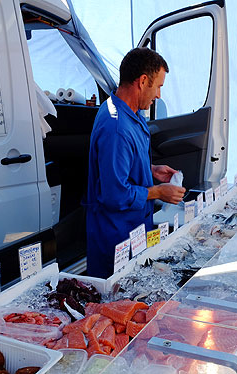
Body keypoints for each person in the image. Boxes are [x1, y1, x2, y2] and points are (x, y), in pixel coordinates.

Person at [86, 48, 185, 278]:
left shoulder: (132, 113)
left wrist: (150, 171)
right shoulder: (117, 128)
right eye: (158, 86)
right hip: (117, 236)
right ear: (142, 81)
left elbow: (117, 167)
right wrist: (158, 191)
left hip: (137, 228)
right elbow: (114, 194)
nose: (159, 95)